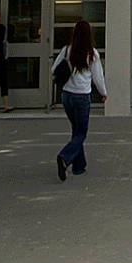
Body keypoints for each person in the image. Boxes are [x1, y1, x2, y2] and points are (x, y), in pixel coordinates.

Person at [54, 19, 104, 181]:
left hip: (67, 95)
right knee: (81, 133)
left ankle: (79, 166)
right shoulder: (92, 53)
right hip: (82, 96)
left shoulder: (66, 50)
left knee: (76, 129)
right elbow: (98, 77)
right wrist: (103, 93)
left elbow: (54, 69)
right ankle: (64, 157)